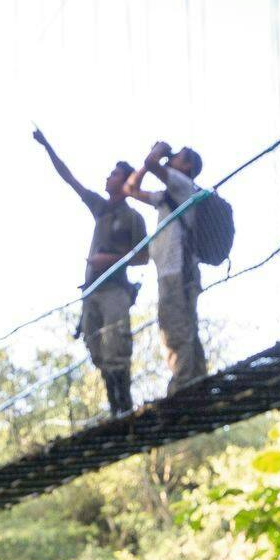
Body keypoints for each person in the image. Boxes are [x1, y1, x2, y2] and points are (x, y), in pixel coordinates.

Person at [32, 128, 147, 414]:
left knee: (115, 347)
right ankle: (115, 405)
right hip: (91, 293)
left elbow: (144, 256)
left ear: (125, 182)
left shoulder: (132, 217)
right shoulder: (101, 208)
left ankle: (123, 408)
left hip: (115, 291)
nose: (108, 177)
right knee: (95, 348)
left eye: (114, 174)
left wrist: (110, 260)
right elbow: (69, 178)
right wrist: (47, 145)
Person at [125, 140, 208, 393]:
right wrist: (155, 158)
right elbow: (131, 188)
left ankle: (182, 386)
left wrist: (158, 152)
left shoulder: (184, 185)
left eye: (177, 157)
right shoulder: (170, 195)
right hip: (172, 270)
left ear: (188, 166)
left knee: (174, 328)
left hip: (178, 270)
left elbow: (151, 164)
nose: (171, 160)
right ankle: (197, 379)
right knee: (185, 325)